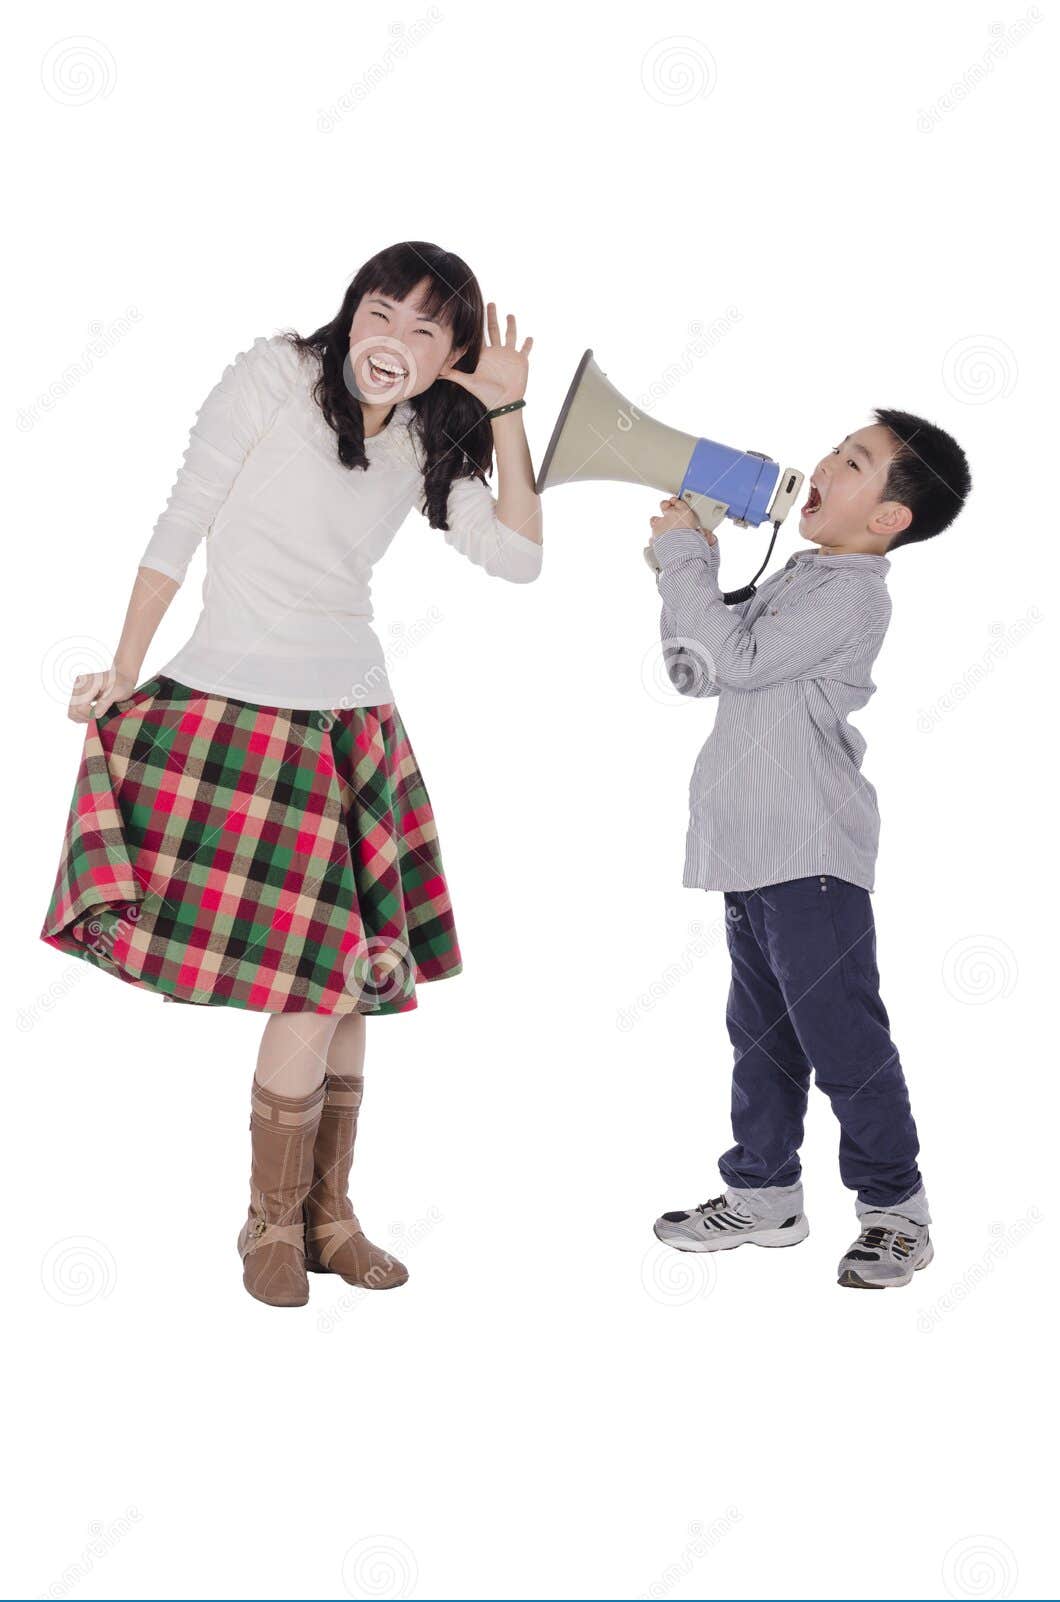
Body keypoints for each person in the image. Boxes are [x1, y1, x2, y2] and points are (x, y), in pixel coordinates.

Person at [40, 241, 542, 1308]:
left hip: (353, 723)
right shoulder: (270, 375)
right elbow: (182, 519)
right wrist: (127, 664)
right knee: (325, 985)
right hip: (237, 716)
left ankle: (326, 1216)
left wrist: (504, 414)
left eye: (423, 330)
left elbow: (518, 558)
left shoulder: (423, 439)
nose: (390, 342)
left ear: (453, 356)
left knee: (353, 988)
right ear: (350, 311)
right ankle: (272, 1220)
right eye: (379, 311)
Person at [647, 409, 970, 1289]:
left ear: (888, 518)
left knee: (843, 1041)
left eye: (856, 460)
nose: (826, 460)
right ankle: (763, 1194)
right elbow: (695, 665)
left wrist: (686, 557)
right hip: (748, 849)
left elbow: (737, 661)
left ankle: (897, 1210)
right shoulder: (801, 573)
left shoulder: (853, 593)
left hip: (809, 855)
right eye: (838, 444)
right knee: (761, 1036)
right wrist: (693, 548)